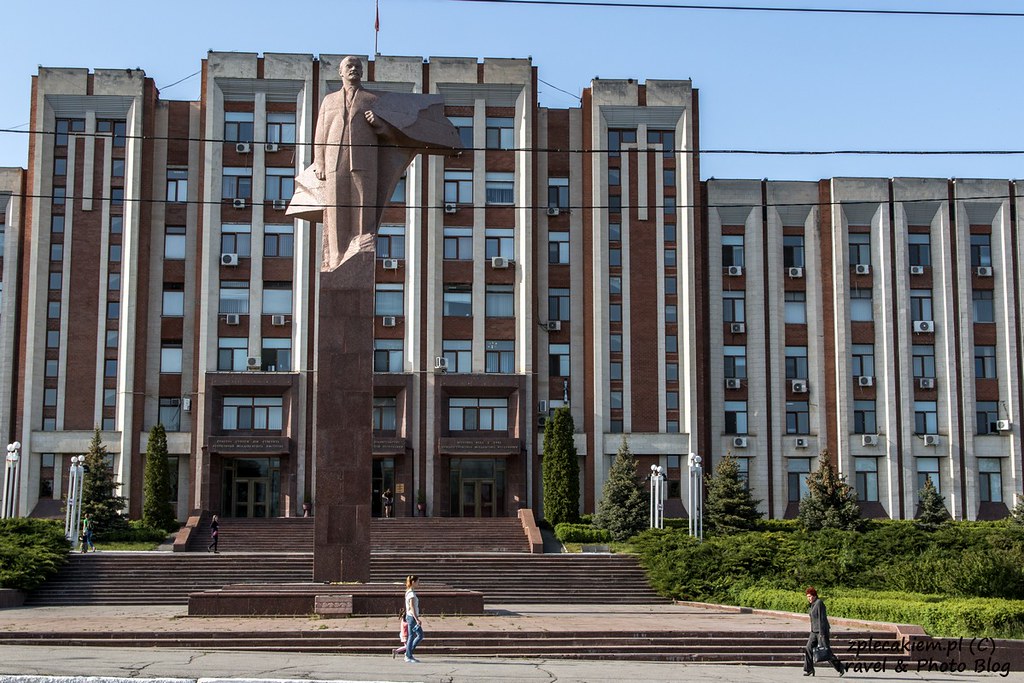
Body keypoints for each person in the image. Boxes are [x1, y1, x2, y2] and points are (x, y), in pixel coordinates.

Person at [288, 55, 461, 272]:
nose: (353, 69)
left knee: (364, 204)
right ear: (341, 72)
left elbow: (393, 134)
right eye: (349, 66)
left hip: (365, 161)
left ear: (362, 72)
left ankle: (361, 245)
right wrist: (320, 161)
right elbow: (320, 133)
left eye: (357, 66)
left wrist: (379, 124)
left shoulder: (371, 98)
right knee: (335, 208)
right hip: (334, 161)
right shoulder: (329, 100)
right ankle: (336, 257)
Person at [803, 587, 846, 677]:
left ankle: (840, 667)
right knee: (808, 648)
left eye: (810, 596)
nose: (809, 598)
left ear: (815, 596)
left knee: (826, 652)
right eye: (807, 597)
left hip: (821, 631)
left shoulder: (819, 603)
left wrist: (822, 634)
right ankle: (809, 669)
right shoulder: (812, 604)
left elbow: (822, 619)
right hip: (814, 631)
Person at [403, 575, 424, 663]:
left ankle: (408, 652)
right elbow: (412, 607)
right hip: (412, 617)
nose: (419, 583)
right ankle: (408, 655)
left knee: (418, 635)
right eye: (418, 582)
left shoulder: (408, 591)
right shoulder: (411, 593)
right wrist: (416, 619)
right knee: (413, 636)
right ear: (413, 582)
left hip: (410, 617)